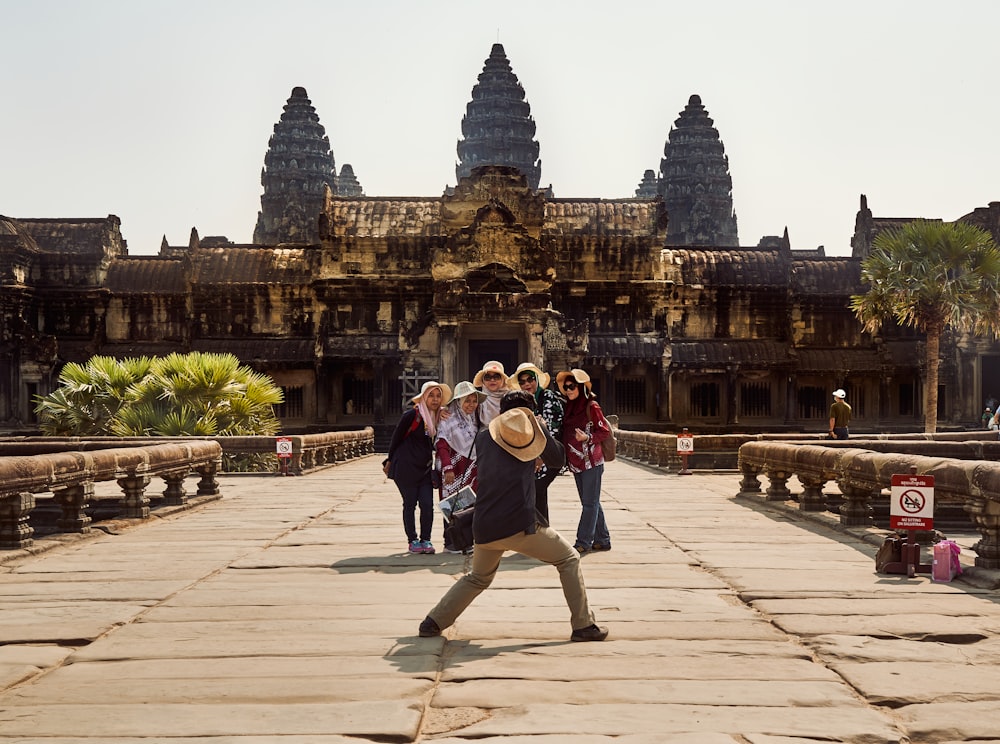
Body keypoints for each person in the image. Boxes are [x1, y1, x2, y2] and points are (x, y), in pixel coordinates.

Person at [417, 390, 608, 642]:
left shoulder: (485, 437)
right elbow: (557, 459)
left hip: (484, 524)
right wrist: (541, 430)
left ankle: (432, 622)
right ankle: (583, 625)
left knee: (478, 577)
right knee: (569, 559)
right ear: (530, 415)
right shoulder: (529, 434)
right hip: (518, 523)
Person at [383, 380, 452, 554]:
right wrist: (389, 460)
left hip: (425, 468)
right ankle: (413, 540)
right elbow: (396, 438)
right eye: (431, 396)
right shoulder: (412, 415)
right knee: (410, 504)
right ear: (423, 398)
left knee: (427, 504)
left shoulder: (438, 417)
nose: (435, 400)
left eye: (438, 396)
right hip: (406, 467)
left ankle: (426, 540)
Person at [556, 368, 613, 554]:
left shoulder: (592, 407)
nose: (568, 390)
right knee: (591, 502)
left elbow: (604, 431)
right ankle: (603, 539)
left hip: (591, 462)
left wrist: (587, 438)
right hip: (576, 462)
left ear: (581, 387)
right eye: (566, 387)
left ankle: (583, 542)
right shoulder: (569, 407)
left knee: (589, 503)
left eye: (572, 386)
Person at [510, 361, 565, 523]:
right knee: (534, 493)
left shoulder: (547, 397)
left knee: (538, 490)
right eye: (522, 381)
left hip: (549, 455)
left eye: (530, 380)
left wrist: (541, 457)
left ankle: (542, 530)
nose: (527, 384)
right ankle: (536, 530)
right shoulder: (524, 402)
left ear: (537, 380)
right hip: (532, 457)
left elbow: (552, 431)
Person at [435, 381, 485, 552]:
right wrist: (447, 467)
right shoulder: (448, 419)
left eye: (474, 400)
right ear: (458, 402)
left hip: (471, 468)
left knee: (469, 506)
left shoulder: (475, 419)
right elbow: (441, 444)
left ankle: (466, 541)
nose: (471, 405)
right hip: (454, 468)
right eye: (467, 401)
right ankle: (450, 542)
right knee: (451, 505)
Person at [472, 360, 509, 426]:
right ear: (483, 381)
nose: (492, 380)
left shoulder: (511, 398)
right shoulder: (477, 399)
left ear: (503, 380)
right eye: (487, 377)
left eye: (496, 377)